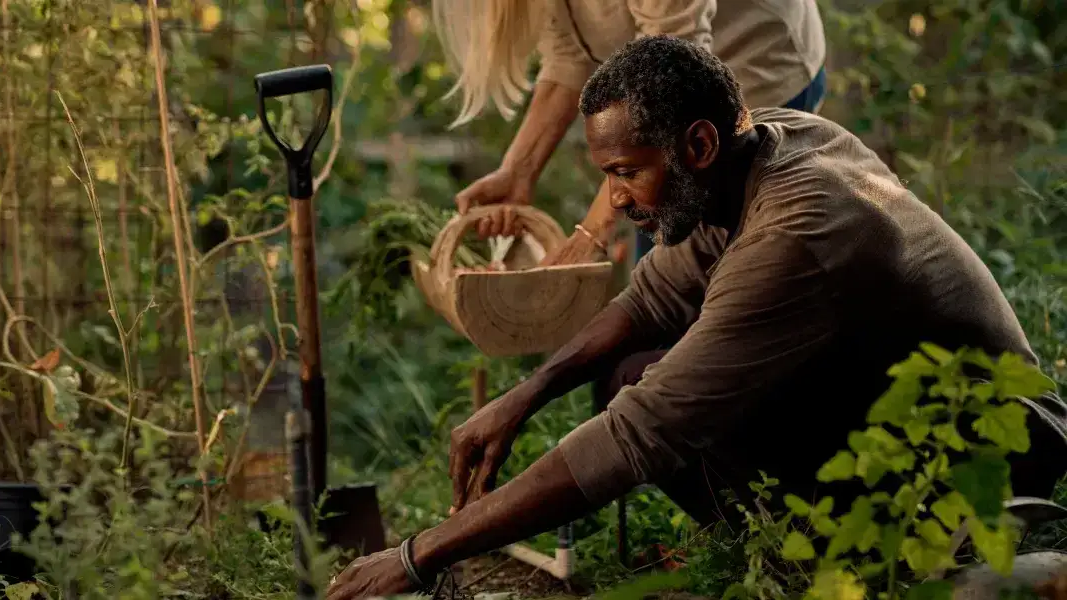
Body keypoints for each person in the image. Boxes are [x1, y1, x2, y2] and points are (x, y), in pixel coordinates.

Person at [324, 36, 1067, 599]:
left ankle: (913, 569)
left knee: (654, 402)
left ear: (698, 144)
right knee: (629, 373)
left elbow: (643, 434)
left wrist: (419, 555)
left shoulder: (797, 231)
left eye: (625, 172)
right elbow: (651, 300)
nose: (614, 198)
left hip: (994, 449)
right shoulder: (746, 154)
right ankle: (810, 556)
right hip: (901, 410)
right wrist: (527, 393)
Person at [435, 0, 828, 265]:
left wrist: (593, 230)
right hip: (672, 90)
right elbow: (569, 59)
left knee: (729, 272)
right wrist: (518, 171)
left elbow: (673, 76)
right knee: (661, 279)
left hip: (758, 63)